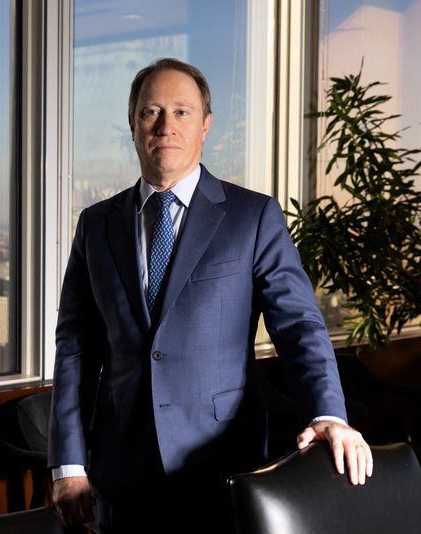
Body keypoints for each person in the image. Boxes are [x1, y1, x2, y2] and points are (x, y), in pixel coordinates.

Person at [49, 58, 373, 533]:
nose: (165, 125)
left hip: (224, 467)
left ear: (206, 125)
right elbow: (76, 349)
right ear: (132, 125)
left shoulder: (253, 216)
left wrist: (327, 414)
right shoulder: (96, 225)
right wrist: (68, 465)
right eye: (150, 112)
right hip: (122, 474)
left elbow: (299, 326)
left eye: (182, 112)